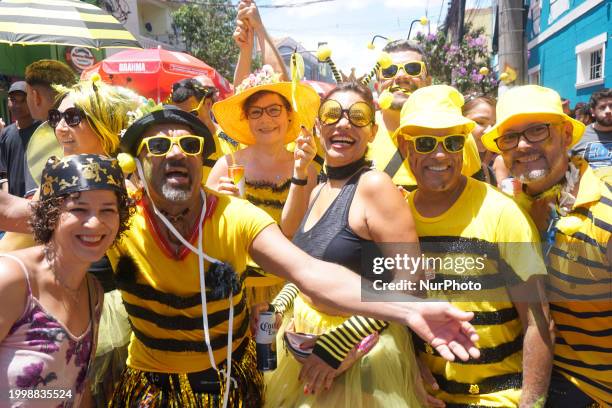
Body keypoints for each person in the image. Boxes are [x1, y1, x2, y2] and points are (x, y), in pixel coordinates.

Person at [108, 105, 480, 407]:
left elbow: (309, 271)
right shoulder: (116, 220)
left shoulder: (235, 215)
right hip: (150, 387)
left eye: (189, 146)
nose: (175, 153)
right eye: (158, 147)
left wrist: (409, 309)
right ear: (137, 163)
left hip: (229, 384)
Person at [263, 81, 425, 407]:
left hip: (360, 358)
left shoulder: (375, 186)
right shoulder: (321, 185)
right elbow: (310, 268)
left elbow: (412, 281)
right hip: (305, 344)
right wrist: (278, 306)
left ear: (373, 132)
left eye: (358, 116)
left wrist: (342, 342)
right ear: (320, 126)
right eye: (333, 114)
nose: (344, 123)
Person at [396, 85, 554, 407]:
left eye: (451, 142)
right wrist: (411, 364)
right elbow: (395, 307)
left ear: (463, 147)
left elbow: (539, 322)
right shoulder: (395, 217)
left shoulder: (503, 214)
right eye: (425, 143)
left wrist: (531, 404)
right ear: (403, 146)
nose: (439, 154)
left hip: (499, 398)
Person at [0, 77, 141, 405]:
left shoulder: (129, 193)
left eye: (73, 117)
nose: (61, 127)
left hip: (95, 313)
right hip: (28, 308)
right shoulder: (53, 182)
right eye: (56, 118)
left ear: (102, 124)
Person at [481, 85, 611, 408]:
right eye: (509, 137)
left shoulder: (606, 207)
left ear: (566, 133)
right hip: (533, 378)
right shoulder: (510, 209)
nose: (523, 146)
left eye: (537, 130)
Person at [207, 66, 320, 306]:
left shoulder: (308, 169)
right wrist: (217, 206)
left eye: (274, 110)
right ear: (246, 119)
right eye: (256, 112)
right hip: (233, 287)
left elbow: (293, 231)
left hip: (287, 288)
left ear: (289, 115)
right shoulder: (227, 165)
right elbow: (203, 233)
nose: (265, 119)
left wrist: (299, 174)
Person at [365, 39, 481, 191]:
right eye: (389, 71)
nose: (400, 76)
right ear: (377, 85)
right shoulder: (360, 132)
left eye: (413, 69)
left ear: (428, 82)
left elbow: (476, 199)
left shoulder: (456, 134)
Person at [23, 60, 78, 198]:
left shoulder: (40, 141)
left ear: (35, 96)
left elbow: (33, 206)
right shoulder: (89, 128)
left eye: (26, 94)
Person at [170, 77, 238, 182]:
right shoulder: (173, 147)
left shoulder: (232, 137)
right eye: (179, 116)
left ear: (208, 104)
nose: (185, 121)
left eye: (192, 114)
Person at [0, 81, 41, 197]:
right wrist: (8, 200)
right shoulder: (6, 133)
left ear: (32, 101)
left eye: (23, 100)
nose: (17, 105)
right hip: (14, 202)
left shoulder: (42, 131)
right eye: (13, 100)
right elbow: (4, 173)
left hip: (37, 200)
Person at [462, 94, 510, 186]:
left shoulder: (485, 172)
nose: (489, 131)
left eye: (494, 125)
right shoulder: (442, 166)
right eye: (480, 122)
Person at [570, 88, 612, 169]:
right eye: (602, 107)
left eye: (611, 106)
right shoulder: (578, 135)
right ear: (592, 112)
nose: (608, 111)